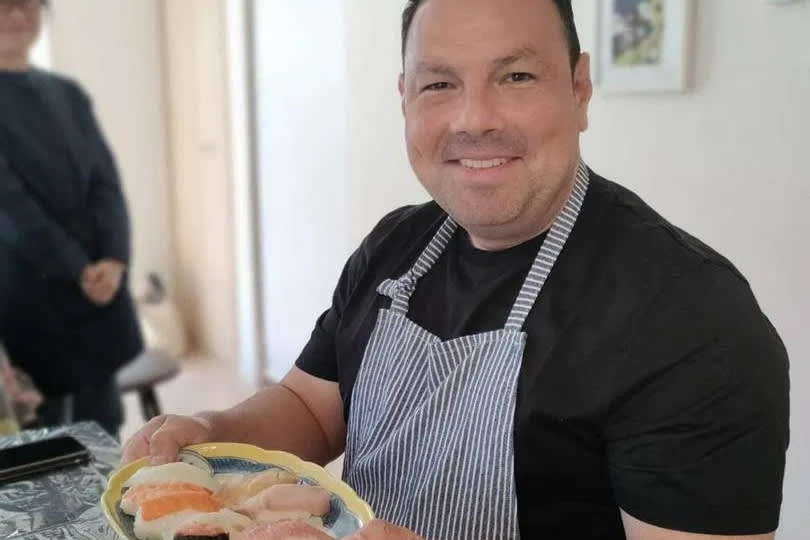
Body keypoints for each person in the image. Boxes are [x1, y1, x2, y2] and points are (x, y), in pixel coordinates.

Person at [122, 0, 789, 538]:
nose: (474, 119)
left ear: (580, 89)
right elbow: (311, 409)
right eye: (440, 84)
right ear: (405, 99)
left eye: (516, 76)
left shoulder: (693, 320)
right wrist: (216, 431)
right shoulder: (394, 246)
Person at [0, 0, 142, 436]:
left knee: (105, 427)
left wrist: (113, 259)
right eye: (4, 6)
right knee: (49, 441)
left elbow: (105, 181)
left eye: (28, 5)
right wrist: (78, 267)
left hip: (98, 290)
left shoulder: (66, 94)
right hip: (31, 293)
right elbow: (10, 205)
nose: (18, 16)